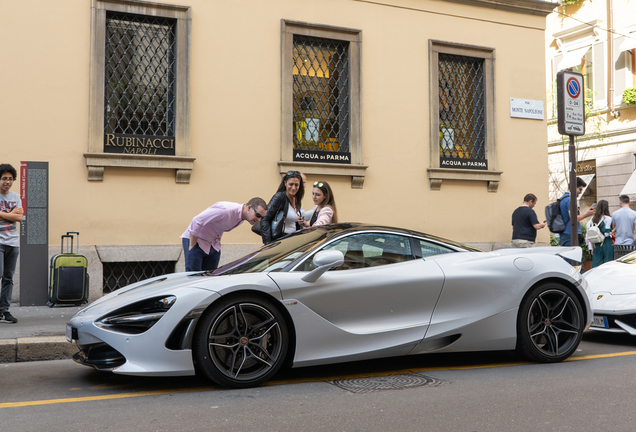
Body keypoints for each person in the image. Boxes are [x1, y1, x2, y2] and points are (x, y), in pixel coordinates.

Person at [181, 197, 267, 272]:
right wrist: (192, 245)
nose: (259, 220)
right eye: (258, 215)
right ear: (249, 208)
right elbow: (197, 220)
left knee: (208, 281)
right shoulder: (226, 209)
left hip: (213, 246)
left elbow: (219, 226)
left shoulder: (241, 217)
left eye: (262, 217)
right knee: (193, 279)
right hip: (196, 241)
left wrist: (217, 244)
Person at [0, 164, 22, 324]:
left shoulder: (15, 197)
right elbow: (13, 216)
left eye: (10, 179)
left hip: (13, 242)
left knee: (8, 278)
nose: (7, 182)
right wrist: (10, 214)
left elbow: (19, 218)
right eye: (3, 178)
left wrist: (2, 215)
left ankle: (4, 311)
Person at [261, 171, 305, 244]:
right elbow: (265, 219)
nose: (293, 188)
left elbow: (291, 221)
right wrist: (267, 243)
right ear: (285, 183)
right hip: (281, 241)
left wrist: (299, 222)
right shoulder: (279, 197)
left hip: (293, 240)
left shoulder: (296, 199)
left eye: (296, 185)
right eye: (291, 184)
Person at [559, 177, 595, 246]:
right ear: (573, 187)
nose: (581, 192)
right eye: (580, 189)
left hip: (565, 234)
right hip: (571, 235)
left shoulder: (562, 198)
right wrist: (586, 214)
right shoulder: (570, 199)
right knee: (572, 256)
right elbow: (573, 218)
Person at [586, 200, 613, 268]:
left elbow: (589, 235)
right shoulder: (608, 218)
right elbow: (606, 233)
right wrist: (614, 230)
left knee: (596, 265)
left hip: (596, 244)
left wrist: (591, 248)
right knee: (608, 264)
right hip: (606, 243)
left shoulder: (592, 219)